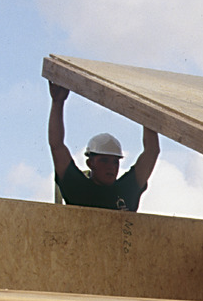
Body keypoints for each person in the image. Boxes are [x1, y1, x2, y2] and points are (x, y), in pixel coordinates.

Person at [48, 81, 159, 212]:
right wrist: (57, 102)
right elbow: (57, 145)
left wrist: (148, 112)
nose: (111, 166)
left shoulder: (127, 189)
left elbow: (152, 151)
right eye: (104, 160)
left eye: (115, 161)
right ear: (90, 163)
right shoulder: (78, 188)